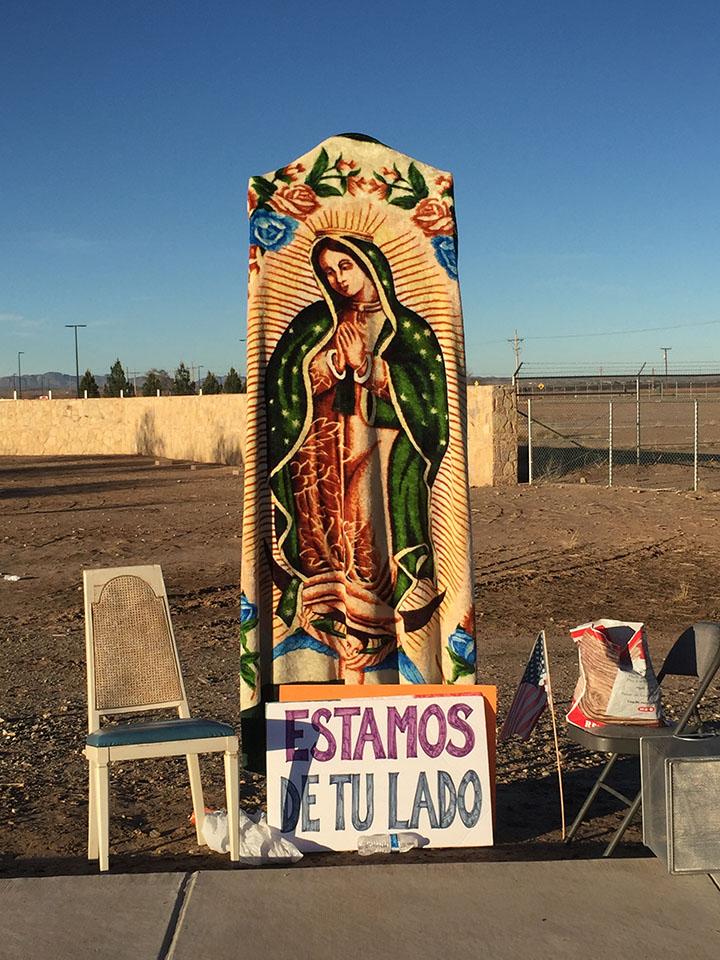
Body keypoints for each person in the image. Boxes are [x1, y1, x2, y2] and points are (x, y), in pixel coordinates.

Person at [265, 231, 450, 682]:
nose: (338, 279)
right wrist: (328, 364)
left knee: (366, 529)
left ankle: (380, 639)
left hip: (379, 451)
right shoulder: (314, 323)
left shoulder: (407, 329)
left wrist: (369, 367)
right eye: (329, 271)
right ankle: (325, 634)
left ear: (371, 265)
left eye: (345, 266)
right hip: (321, 449)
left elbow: (428, 404)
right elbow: (282, 385)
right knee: (325, 532)